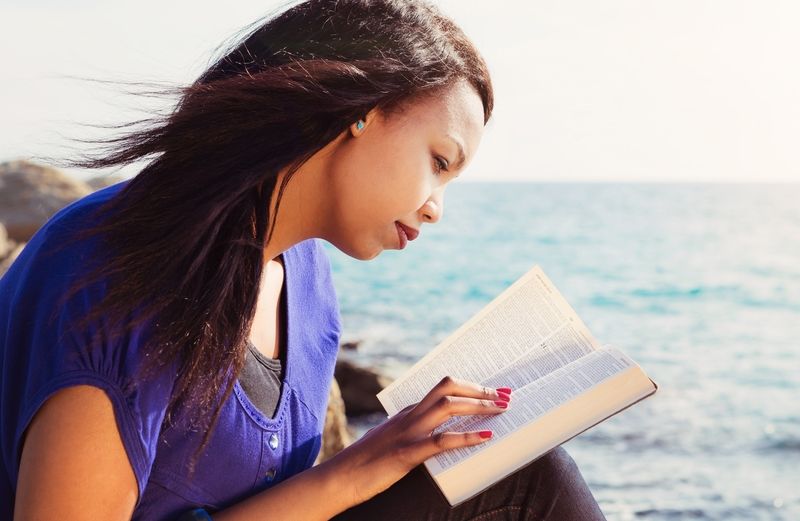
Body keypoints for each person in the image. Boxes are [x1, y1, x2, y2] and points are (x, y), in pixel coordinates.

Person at [0, 0, 607, 519]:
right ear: (358, 114)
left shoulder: (306, 275)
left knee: (516, 467)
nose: (434, 209)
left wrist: (383, 457)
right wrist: (351, 472)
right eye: (439, 162)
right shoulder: (114, 267)